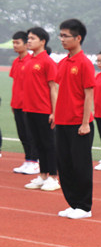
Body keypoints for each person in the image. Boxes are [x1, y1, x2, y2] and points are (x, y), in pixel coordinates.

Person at [54, 19, 95, 219]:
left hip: (79, 123)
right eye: (60, 35)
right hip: (61, 121)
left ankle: (84, 206)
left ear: (78, 38)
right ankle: (73, 203)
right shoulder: (62, 63)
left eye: (65, 36)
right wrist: (54, 113)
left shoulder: (84, 63)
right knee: (65, 165)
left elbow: (89, 94)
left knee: (80, 165)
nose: (62, 39)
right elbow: (60, 91)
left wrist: (85, 122)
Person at [22, 27, 58, 191]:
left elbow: (53, 88)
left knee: (48, 144)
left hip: (44, 110)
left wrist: (54, 111)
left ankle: (53, 176)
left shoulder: (47, 62)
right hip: (30, 109)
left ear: (42, 41)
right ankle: (43, 174)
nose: (28, 41)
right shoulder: (29, 60)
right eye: (28, 38)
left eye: (32, 38)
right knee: (37, 143)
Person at [9, 30, 39, 174]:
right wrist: (12, 102)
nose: (15, 45)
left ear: (26, 44)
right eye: (13, 43)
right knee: (22, 133)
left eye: (17, 43)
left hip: (28, 104)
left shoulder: (31, 61)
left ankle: (35, 160)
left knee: (30, 133)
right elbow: (16, 83)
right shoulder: (16, 62)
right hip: (17, 103)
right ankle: (28, 159)